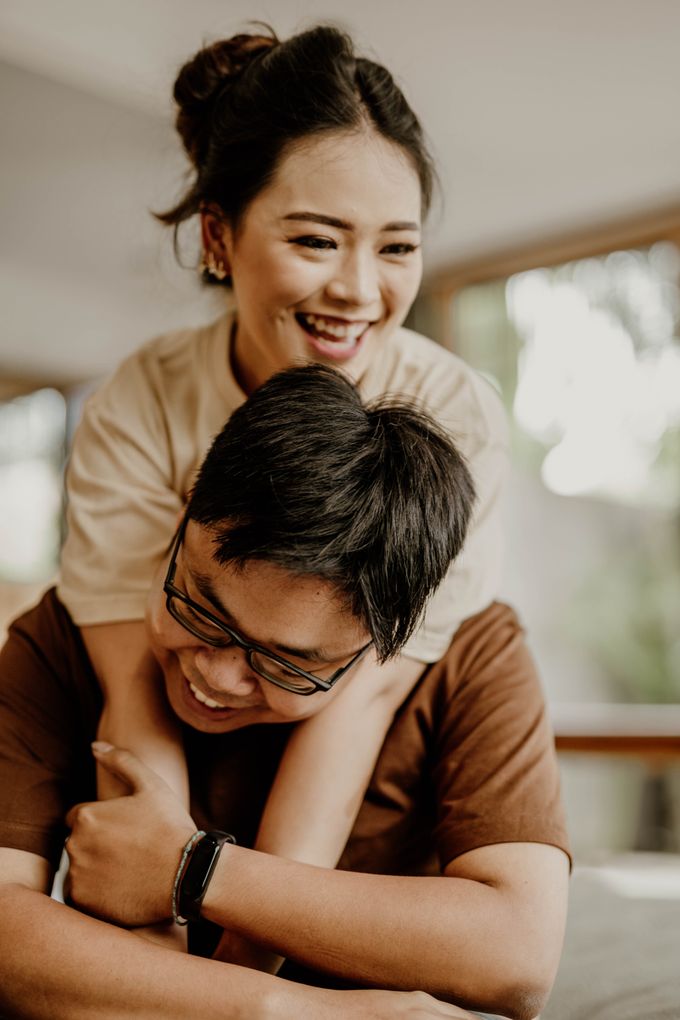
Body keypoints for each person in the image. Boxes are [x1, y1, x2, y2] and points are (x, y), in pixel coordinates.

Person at [57, 22, 511, 910]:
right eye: (315, 241)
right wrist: (146, 942)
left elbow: (359, 701)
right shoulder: (140, 403)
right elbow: (132, 688)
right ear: (219, 237)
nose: (358, 290)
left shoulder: (455, 426)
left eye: (396, 247)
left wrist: (245, 942)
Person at [0, 365, 569, 1019]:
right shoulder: (60, 637)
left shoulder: (471, 653)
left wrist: (194, 870)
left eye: (286, 664)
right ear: (184, 515)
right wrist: (285, 1010)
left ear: (384, 649)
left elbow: (517, 957)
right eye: (199, 608)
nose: (216, 675)